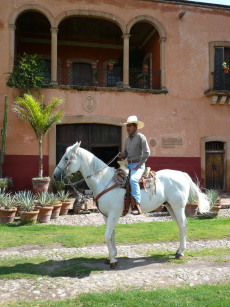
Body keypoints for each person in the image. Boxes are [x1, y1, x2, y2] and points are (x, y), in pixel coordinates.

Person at [118, 115, 150, 215]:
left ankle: (136, 205)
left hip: (139, 165)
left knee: (133, 180)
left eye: (130, 126)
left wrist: (139, 164)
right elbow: (126, 153)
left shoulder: (141, 137)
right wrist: (122, 155)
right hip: (129, 166)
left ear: (135, 127)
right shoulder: (127, 140)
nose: (128, 128)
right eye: (127, 126)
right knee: (117, 178)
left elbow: (147, 153)